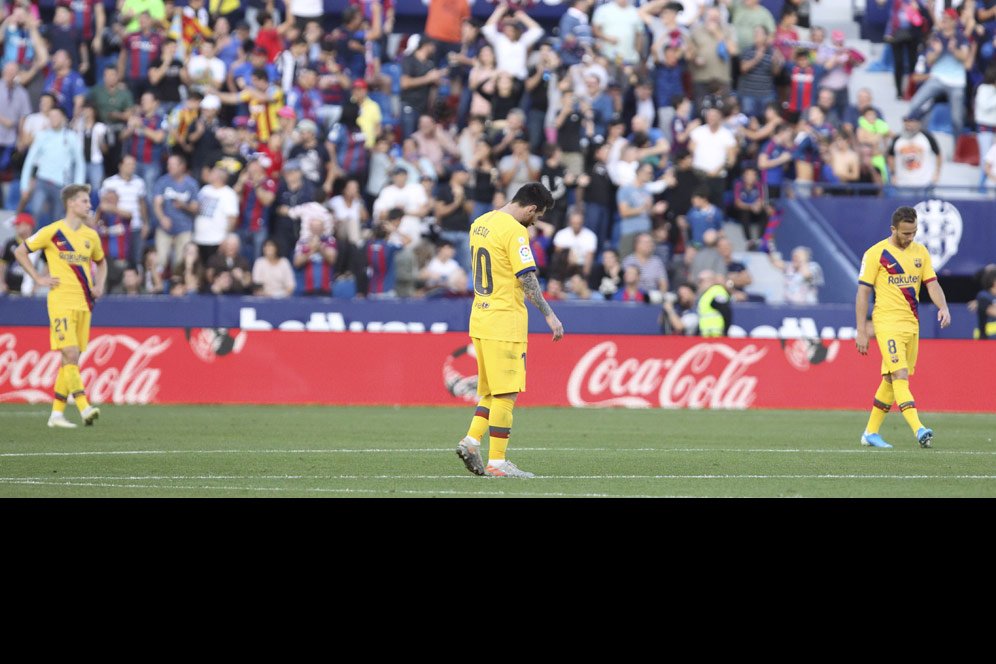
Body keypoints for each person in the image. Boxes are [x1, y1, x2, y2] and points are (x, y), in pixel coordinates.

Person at [455, 182, 562, 479]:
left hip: (480, 317)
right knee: (506, 393)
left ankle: (471, 442)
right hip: (505, 320)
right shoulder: (515, 230)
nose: (535, 221)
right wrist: (550, 315)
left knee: (490, 391)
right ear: (530, 208)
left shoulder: (480, 223)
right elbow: (527, 278)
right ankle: (498, 462)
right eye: (537, 216)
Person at [855, 205, 951, 449]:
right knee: (900, 375)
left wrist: (943, 306)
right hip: (886, 323)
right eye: (906, 233)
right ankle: (919, 429)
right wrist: (861, 330)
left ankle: (870, 433)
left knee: (889, 378)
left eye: (914, 232)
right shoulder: (876, 253)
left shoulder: (921, 253)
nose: (910, 238)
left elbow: (932, 284)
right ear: (893, 229)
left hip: (911, 324)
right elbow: (863, 293)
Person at [13, 184, 106, 428]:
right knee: (71, 353)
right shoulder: (53, 231)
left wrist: (100, 285)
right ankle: (84, 407)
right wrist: (38, 278)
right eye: (85, 201)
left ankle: (56, 415)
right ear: (71, 203)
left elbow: (102, 262)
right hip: (61, 301)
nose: (89, 205)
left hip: (85, 303)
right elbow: (20, 252)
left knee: (71, 360)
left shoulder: (91, 236)